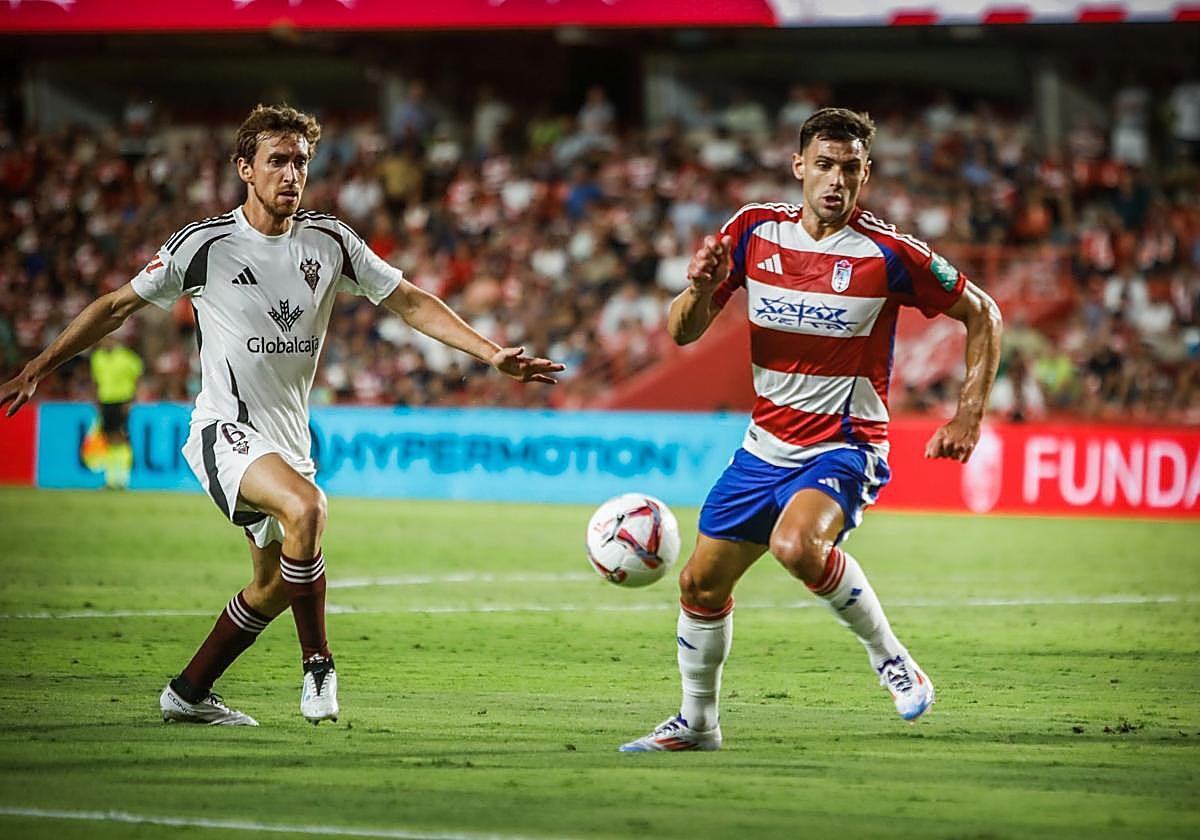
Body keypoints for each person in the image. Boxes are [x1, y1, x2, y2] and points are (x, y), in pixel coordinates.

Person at [0, 104, 563, 727]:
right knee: (308, 507)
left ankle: (188, 693)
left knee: (271, 586)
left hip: (289, 441)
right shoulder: (203, 246)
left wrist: (490, 354)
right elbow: (113, 308)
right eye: (277, 161)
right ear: (245, 168)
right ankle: (318, 664)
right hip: (224, 430)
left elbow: (408, 301)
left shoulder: (331, 241)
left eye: (300, 162)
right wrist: (38, 367)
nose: (291, 174)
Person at [620, 108, 1002, 752]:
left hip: (845, 446)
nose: (835, 180)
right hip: (762, 447)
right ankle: (698, 723)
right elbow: (682, 331)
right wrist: (700, 288)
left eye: (850, 169)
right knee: (697, 585)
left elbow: (983, 313)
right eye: (824, 165)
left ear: (866, 175)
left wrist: (968, 413)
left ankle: (892, 658)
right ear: (799, 166)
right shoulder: (751, 232)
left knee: (798, 547)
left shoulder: (889, 253)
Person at [89, 334, 143, 489]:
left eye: (109, 339)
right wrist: (95, 399)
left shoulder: (126, 357)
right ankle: (111, 479)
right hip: (105, 401)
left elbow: (138, 375)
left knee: (121, 438)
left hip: (122, 401)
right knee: (110, 438)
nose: (106, 342)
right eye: (104, 340)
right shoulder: (97, 357)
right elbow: (95, 380)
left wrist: (132, 399)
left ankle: (123, 479)